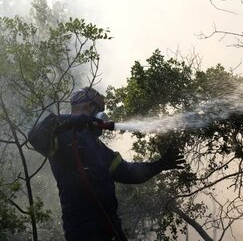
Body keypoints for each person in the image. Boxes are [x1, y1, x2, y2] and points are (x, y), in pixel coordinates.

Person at [28, 87, 185, 241]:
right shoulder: (61, 139)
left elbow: (129, 173)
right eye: (98, 110)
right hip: (83, 233)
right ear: (88, 107)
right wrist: (72, 121)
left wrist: (160, 164)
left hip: (112, 230)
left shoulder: (100, 149)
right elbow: (34, 135)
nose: (100, 117)